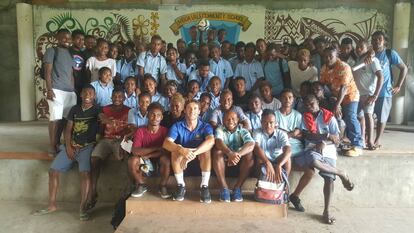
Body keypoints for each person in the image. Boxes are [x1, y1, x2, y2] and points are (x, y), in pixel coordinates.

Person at [33, 84, 102, 221]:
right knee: (53, 171)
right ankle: (52, 204)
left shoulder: (96, 110)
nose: (88, 95)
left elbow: (102, 117)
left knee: (85, 174)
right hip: (71, 146)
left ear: (94, 96)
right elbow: (68, 129)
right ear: (81, 95)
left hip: (87, 147)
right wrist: (69, 146)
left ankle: (82, 207)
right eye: (85, 93)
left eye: (90, 93)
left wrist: (106, 120)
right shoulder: (74, 109)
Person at [292, 94, 354, 224]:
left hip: (328, 149)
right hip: (311, 148)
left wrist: (325, 142)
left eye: (312, 104)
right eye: (307, 105)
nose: (310, 107)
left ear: (318, 103)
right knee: (314, 161)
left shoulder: (329, 116)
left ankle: (327, 211)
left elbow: (336, 139)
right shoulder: (305, 117)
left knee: (329, 178)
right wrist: (326, 135)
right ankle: (341, 173)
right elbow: (307, 134)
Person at [163, 100, 215, 203]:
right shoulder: (177, 126)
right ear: (185, 111)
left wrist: (193, 154)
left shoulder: (205, 126)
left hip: (200, 162)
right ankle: (181, 185)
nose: (192, 111)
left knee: (206, 150)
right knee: (175, 149)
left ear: (199, 111)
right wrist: (181, 149)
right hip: (182, 164)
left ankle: (204, 186)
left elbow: (211, 141)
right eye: (189, 108)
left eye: (195, 108)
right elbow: (166, 143)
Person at [88, 88, 130, 209]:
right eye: (115, 96)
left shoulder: (129, 110)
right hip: (106, 140)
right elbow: (101, 118)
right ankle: (93, 191)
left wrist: (124, 141)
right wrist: (98, 138)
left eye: (120, 96)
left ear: (124, 98)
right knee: (94, 159)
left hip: (121, 140)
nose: (117, 98)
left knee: (125, 158)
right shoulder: (105, 109)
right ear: (111, 97)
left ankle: (126, 192)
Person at [320, 47, 363, 157]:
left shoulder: (344, 67)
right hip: (336, 96)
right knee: (333, 116)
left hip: (350, 95)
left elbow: (344, 88)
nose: (328, 58)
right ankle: (339, 142)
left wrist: (337, 105)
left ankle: (358, 145)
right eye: (325, 56)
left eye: (331, 56)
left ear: (336, 56)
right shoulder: (324, 68)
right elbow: (323, 84)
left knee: (350, 116)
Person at [371, 31, 408, 148]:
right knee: (368, 116)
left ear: (384, 41)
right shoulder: (369, 54)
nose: (376, 41)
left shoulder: (389, 53)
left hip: (384, 92)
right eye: (374, 39)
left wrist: (398, 85)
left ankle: (377, 139)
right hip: (370, 92)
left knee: (382, 117)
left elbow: (404, 68)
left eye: (379, 39)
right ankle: (368, 138)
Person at [43, 29, 77, 157]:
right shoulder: (52, 51)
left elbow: (71, 73)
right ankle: (52, 145)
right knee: (55, 118)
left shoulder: (69, 53)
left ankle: (62, 143)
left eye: (68, 38)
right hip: (56, 89)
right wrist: (49, 89)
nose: (67, 40)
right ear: (57, 38)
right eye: (64, 38)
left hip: (69, 91)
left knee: (66, 120)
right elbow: (47, 72)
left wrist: (73, 89)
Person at [129, 102, 172, 198]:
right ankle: (141, 184)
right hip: (144, 162)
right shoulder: (140, 131)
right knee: (132, 160)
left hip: (158, 160)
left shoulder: (165, 131)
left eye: (158, 115)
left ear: (161, 117)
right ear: (147, 115)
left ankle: (163, 186)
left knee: (166, 159)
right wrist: (156, 148)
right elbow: (135, 151)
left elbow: (165, 151)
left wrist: (148, 155)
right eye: (152, 114)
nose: (155, 117)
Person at [213, 110, 255, 202]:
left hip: (240, 163)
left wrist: (237, 155)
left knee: (249, 154)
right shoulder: (220, 129)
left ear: (238, 120)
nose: (230, 121)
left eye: (233, 119)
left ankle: (237, 188)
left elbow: (251, 143)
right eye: (227, 119)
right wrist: (229, 153)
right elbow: (218, 142)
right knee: (217, 152)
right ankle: (224, 189)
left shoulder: (243, 130)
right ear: (223, 121)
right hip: (224, 162)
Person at [353, 40, 384, 150]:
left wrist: (375, 95)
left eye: (361, 47)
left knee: (368, 115)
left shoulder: (372, 60)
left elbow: (381, 77)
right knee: (357, 117)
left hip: (368, 94)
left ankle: (370, 141)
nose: (358, 49)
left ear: (367, 48)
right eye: (357, 47)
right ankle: (361, 139)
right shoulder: (358, 61)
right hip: (357, 94)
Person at [253, 109, 292, 184]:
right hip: (264, 160)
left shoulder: (281, 134)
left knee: (287, 158)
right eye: (265, 122)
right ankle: (260, 184)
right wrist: (267, 162)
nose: (268, 125)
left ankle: (284, 184)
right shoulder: (257, 132)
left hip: (277, 159)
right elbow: (256, 147)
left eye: (271, 122)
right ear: (261, 123)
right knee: (258, 157)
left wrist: (279, 165)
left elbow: (288, 149)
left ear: (276, 123)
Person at [69, 29, 87, 104]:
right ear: (72, 39)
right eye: (78, 38)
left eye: (82, 39)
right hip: (69, 85)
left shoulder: (84, 54)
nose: (80, 41)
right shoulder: (67, 51)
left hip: (81, 85)